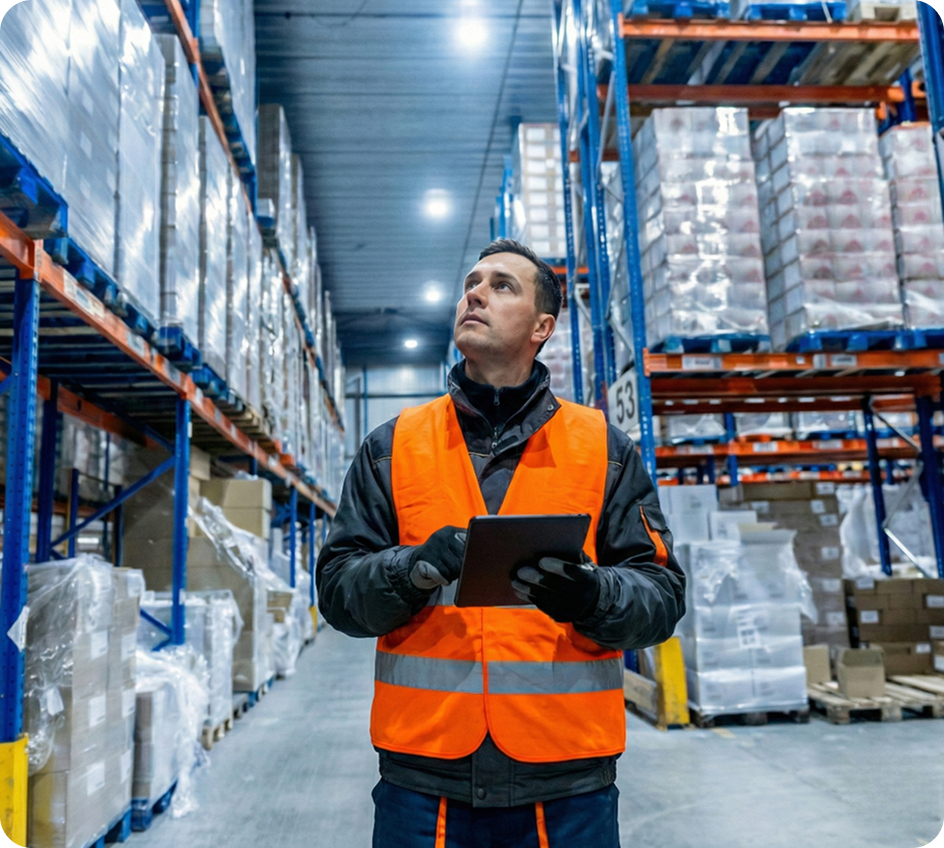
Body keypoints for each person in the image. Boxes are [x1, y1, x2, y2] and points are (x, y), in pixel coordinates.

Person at [317, 238, 685, 848]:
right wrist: (413, 569)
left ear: (543, 327)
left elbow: (662, 594)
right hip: (423, 779)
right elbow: (336, 592)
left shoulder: (604, 449)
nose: (475, 293)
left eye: (501, 285)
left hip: (566, 784)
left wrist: (595, 596)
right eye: (472, 282)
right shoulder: (392, 447)